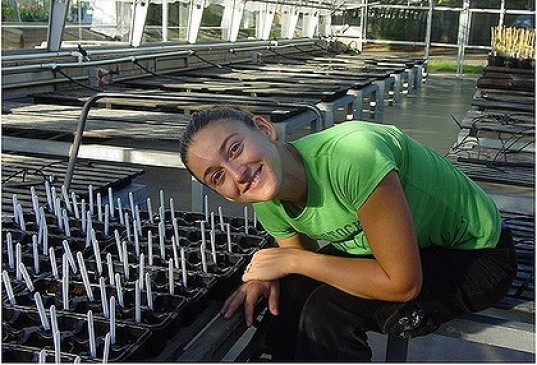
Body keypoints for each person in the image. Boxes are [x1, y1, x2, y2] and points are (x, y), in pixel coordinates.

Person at [178, 107, 518, 361]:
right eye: (217, 176)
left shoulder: (354, 156)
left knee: (329, 312)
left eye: (234, 149)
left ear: (264, 129)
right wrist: (263, 275)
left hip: (477, 255)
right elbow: (300, 271)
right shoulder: (268, 199)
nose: (236, 173)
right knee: (293, 292)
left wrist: (293, 259)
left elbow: (402, 283)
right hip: (405, 252)